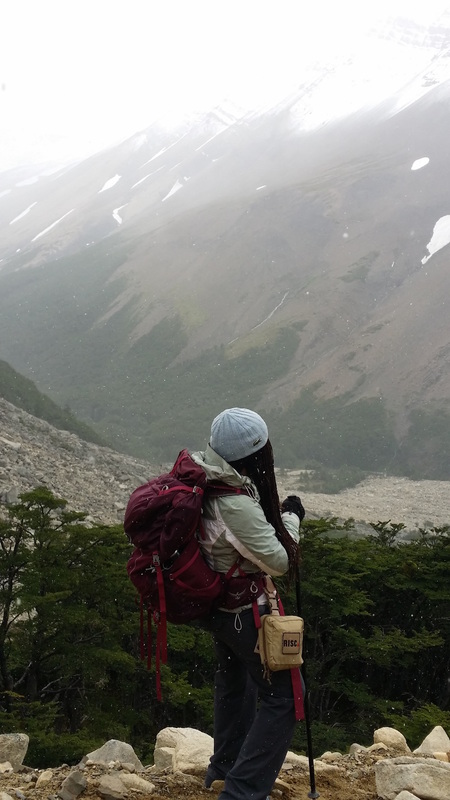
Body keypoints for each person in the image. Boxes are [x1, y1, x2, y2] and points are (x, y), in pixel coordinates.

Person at [191, 407, 305, 800]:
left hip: (218, 610)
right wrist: (291, 520)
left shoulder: (206, 478)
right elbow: (277, 560)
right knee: (287, 697)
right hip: (244, 613)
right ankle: (241, 792)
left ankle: (222, 770)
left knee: (235, 684)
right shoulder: (234, 502)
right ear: (254, 456)